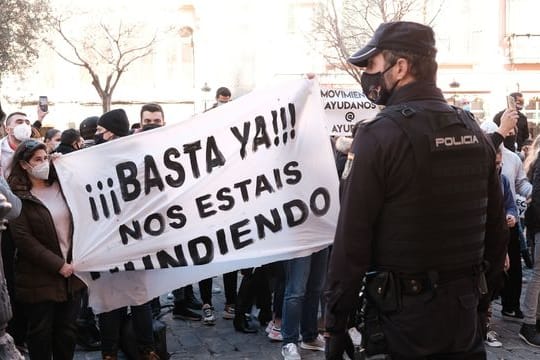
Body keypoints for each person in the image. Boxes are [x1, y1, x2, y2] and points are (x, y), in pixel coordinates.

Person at [324, 21, 508, 360]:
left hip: (403, 326)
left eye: (372, 66)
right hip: (463, 320)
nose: (368, 75)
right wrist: (481, 304)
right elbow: (496, 232)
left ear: (401, 67)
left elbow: (350, 245)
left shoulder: (378, 137)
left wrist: (335, 325)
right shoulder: (472, 130)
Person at [7, 139, 86, 359]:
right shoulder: (18, 195)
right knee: (41, 333)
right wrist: (58, 265)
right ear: (24, 165)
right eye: (37, 160)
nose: (43, 163)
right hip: (39, 276)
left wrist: (68, 166)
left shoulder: (63, 185)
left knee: (67, 332)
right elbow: (23, 239)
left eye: (46, 158)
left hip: (72, 275)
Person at [94, 109, 159, 360]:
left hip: (129, 240)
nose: (98, 135)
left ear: (110, 132)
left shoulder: (133, 158)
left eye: (101, 131)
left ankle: (133, 349)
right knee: (126, 298)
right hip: (116, 241)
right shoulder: (103, 157)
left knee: (133, 297)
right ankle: (138, 349)